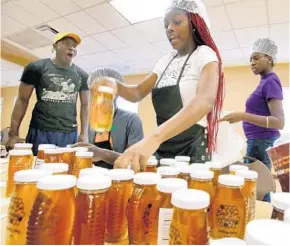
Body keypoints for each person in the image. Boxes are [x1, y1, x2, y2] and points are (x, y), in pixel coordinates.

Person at [92, 0, 225, 172]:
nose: (169, 28)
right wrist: (113, 84)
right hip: (164, 146)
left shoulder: (205, 54)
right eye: (166, 24)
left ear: (194, 23)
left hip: (192, 147)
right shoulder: (165, 61)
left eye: (176, 21)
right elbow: (138, 92)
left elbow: (205, 101)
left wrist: (153, 137)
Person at [221, 38, 284, 202]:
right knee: (254, 187)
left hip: (261, 142)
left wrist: (243, 116)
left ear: (269, 58)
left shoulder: (271, 81)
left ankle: (264, 221)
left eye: (256, 58)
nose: (252, 63)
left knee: (258, 189)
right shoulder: (264, 82)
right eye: (250, 59)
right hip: (257, 141)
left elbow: (279, 121)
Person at [5, 32, 89, 155]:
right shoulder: (35, 68)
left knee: (64, 171)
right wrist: (13, 134)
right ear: (55, 46)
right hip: (40, 131)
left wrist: (84, 134)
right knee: (37, 169)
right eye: (66, 43)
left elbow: (85, 105)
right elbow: (22, 100)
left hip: (69, 133)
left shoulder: (82, 75)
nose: (71, 47)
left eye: (74, 46)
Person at [74, 68, 144, 169]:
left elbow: (134, 162)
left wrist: (102, 154)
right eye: (94, 92)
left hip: (121, 178)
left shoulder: (131, 120)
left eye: (104, 92)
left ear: (116, 92)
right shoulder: (91, 121)